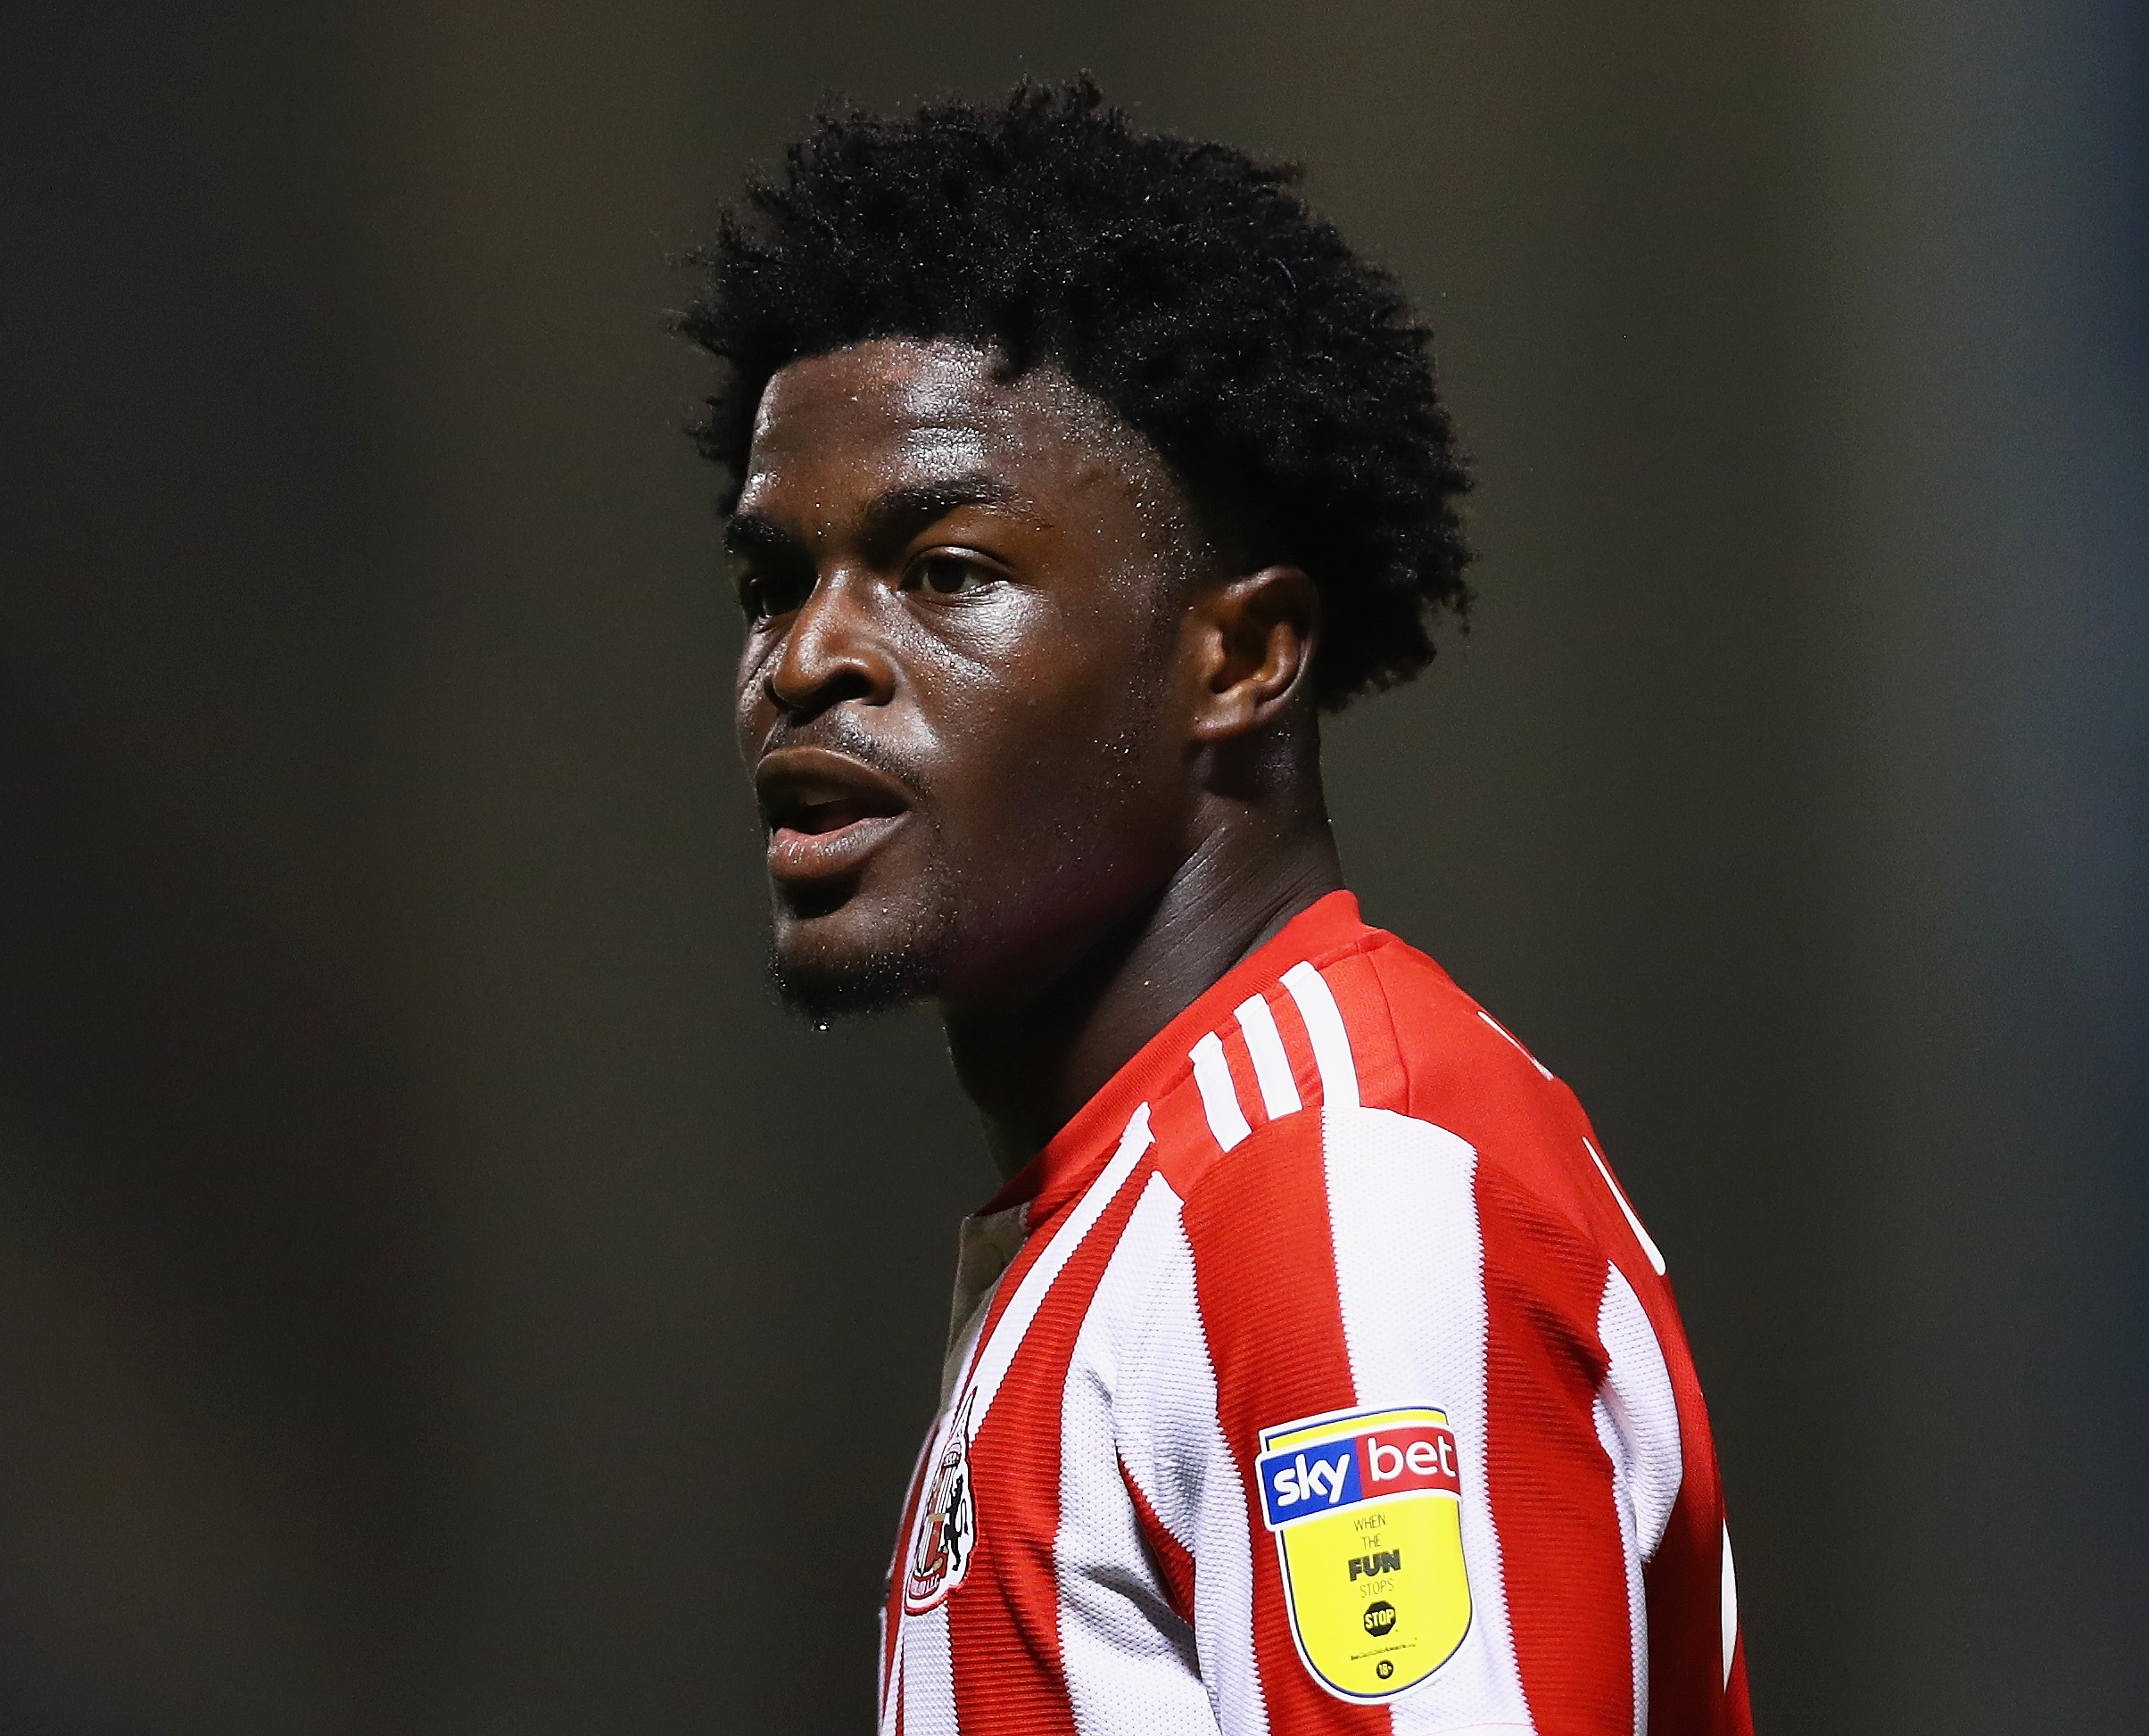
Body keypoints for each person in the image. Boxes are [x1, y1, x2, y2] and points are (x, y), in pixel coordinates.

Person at [681, 81, 1749, 1736]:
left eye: (945, 569)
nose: (808, 657)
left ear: (1239, 658)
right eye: (772, 583)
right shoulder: (1155, 1197)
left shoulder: (1331, 1198)